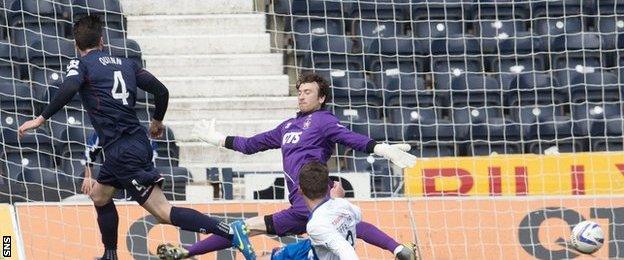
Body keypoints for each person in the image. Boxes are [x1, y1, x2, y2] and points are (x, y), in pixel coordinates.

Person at [17, 15, 255, 260]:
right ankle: (110, 254)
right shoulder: (127, 63)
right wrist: (157, 121)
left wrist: (40, 119)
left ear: (77, 46)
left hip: (123, 151)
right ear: (102, 40)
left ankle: (229, 230)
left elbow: (69, 87)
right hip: (131, 143)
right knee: (99, 196)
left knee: (163, 212)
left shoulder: (82, 64)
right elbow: (161, 91)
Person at [158, 73, 419, 259]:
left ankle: (397, 249)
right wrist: (218, 139)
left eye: (308, 92)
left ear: (321, 98)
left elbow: (351, 138)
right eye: (300, 92)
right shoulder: (287, 126)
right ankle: (398, 249)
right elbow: (251, 145)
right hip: (299, 205)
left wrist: (381, 148)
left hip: (318, 197)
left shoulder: (323, 121)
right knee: (242, 229)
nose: (302, 97)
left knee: (246, 229)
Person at [267, 161, 361, 260]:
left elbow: (345, 250)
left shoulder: (315, 224)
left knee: (277, 256)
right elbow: (358, 216)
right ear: (328, 187)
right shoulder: (343, 204)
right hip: (316, 248)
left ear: (300, 190)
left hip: (322, 255)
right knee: (279, 254)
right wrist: (338, 201)